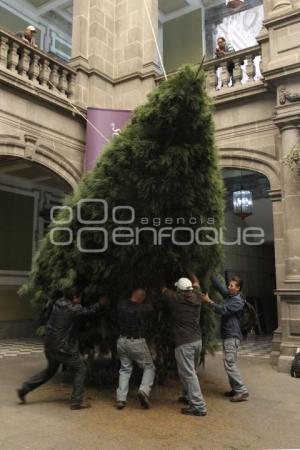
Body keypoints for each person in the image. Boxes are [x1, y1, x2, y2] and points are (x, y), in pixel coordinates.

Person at [17, 287, 104, 410]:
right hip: (63, 348)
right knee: (81, 369)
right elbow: (88, 311)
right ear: (74, 298)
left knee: (50, 371)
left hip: (50, 345)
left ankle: (25, 389)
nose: (80, 301)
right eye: (80, 298)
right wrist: (100, 304)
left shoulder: (58, 304)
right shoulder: (74, 309)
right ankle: (77, 401)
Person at [161, 275, 207, 417]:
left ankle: (199, 406)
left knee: (189, 373)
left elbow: (162, 289)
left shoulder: (175, 299)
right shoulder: (198, 296)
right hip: (197, 341)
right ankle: (187, 397)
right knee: (188, 371)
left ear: (179, 290)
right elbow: (197, 282)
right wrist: (190, 271)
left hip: (184, 342)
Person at [201, 275, 249, 402]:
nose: (229, 287)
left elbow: (222, 310)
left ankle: (242, 391)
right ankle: (235, 389)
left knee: (230, 363)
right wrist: (212, 275)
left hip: (232, 336)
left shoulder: (237, 301)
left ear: (238, 288)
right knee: (229, 362)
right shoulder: (230, 295)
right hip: (228, 335)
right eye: (229, 285)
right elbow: (220, 287)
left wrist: (209, 301)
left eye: (232, 286)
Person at [116, 288, 155, 410]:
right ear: (142, 299)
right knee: (149, 367)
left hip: (121, 341)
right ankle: (144, 390)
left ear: (132, 294)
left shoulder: (120, 305)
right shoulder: (143, 308)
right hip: (136, 342)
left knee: (125, 369)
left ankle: (121, 399)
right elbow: (152, 307)